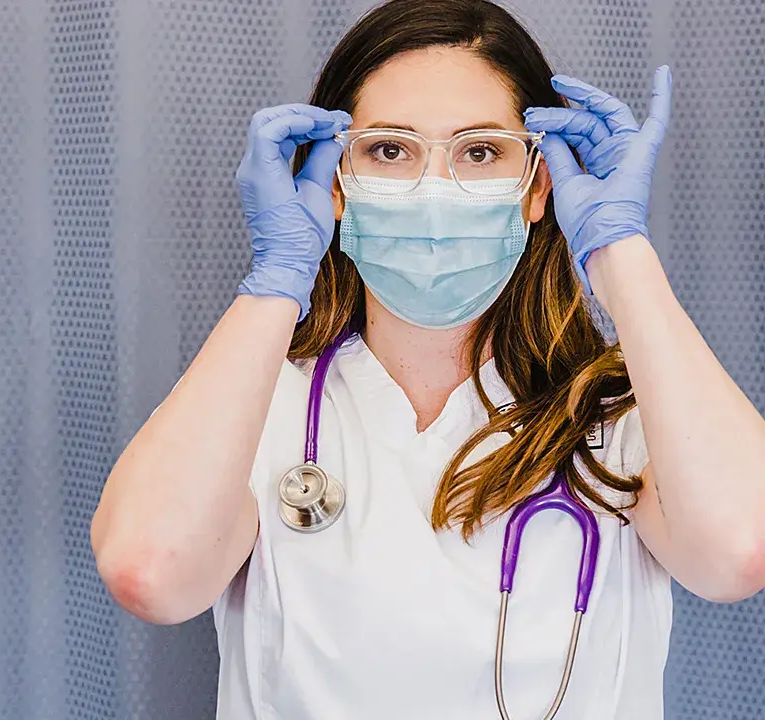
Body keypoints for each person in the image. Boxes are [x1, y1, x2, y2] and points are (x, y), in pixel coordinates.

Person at [90, 0, 765, 717]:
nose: (434, 190)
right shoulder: (256, 405)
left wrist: (618, 252)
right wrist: (279, 277)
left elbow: (738, 552)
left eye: (479, 152)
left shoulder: (630, 419)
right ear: (337, 185)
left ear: (538, 187)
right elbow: (152, 572)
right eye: (389, 150)